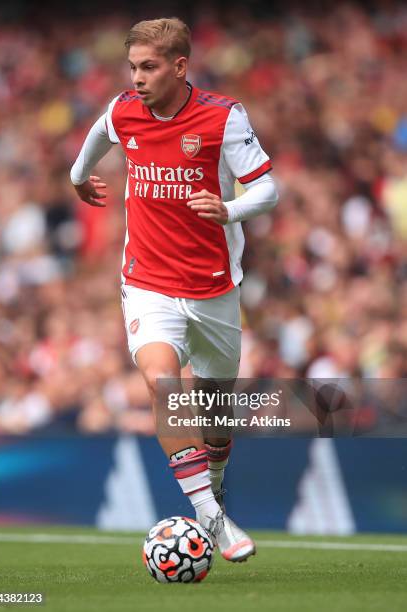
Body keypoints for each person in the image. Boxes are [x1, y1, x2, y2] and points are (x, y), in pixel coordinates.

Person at [71, 17, 278, 562]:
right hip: (148, 282)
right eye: (133, 67)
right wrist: (77, 175)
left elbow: (268, 189)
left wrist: (228, 208)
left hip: (213, 288)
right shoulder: (123, 110)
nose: (136, 78)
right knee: (165, 387)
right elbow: (98, 135)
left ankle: (214, 478)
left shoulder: (223, 117)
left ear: (180, 66)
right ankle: (212, 516)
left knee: (215, 414)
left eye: (148, 67)